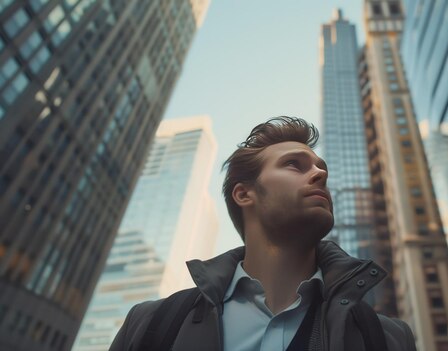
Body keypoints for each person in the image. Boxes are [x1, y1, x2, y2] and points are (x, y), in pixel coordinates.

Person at [110, 117, 416, 350]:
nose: (320, 174)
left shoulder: (388, 338)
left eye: (320, 168)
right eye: (294, 165)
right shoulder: (153, 324)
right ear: (244, 195)